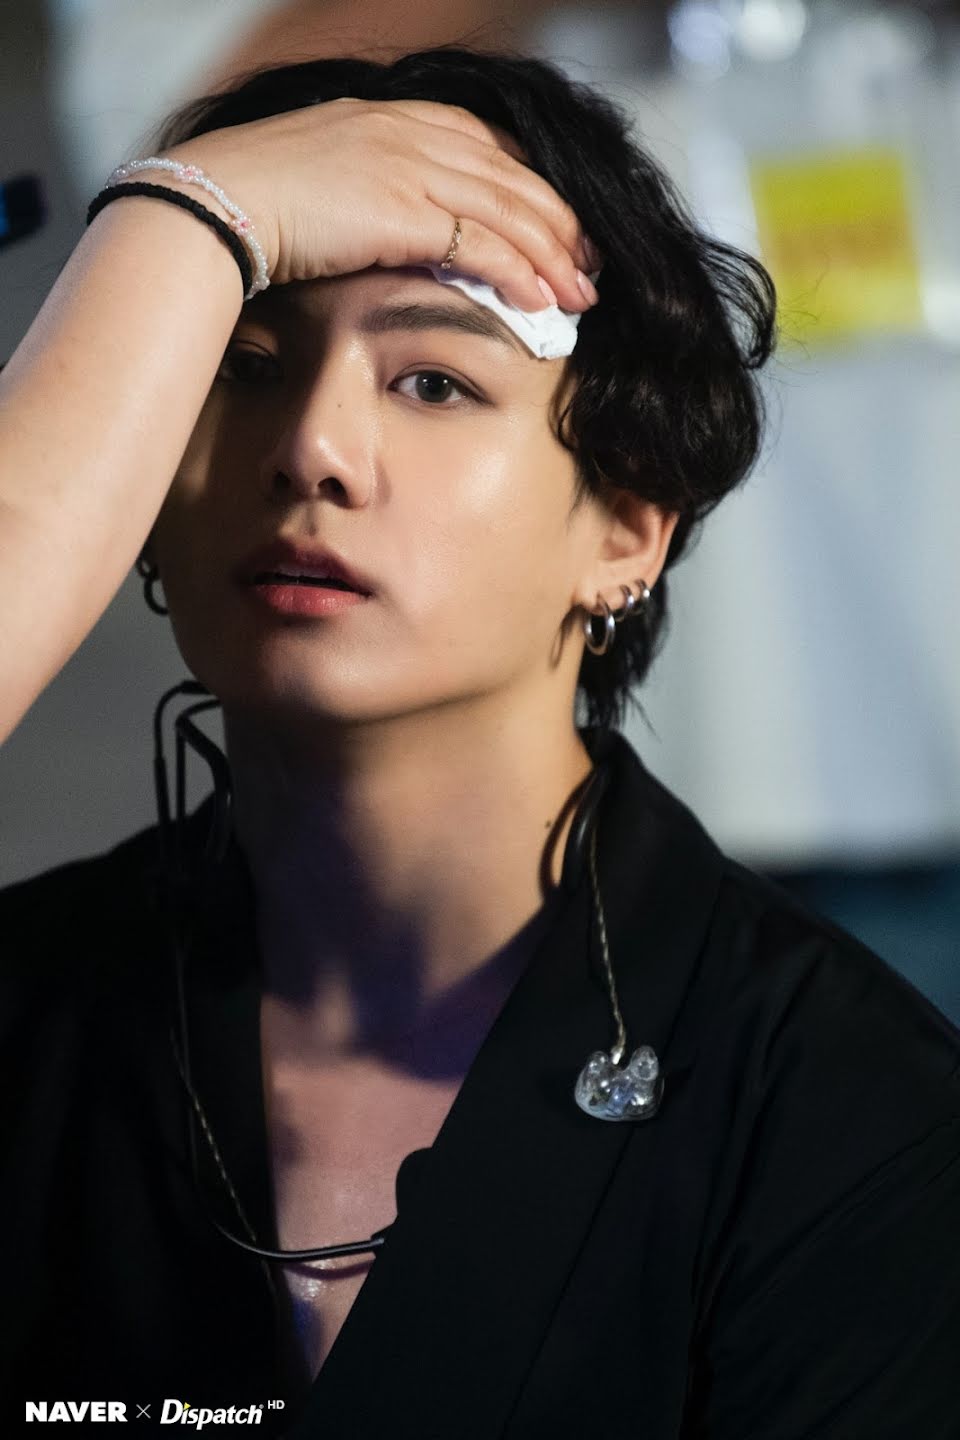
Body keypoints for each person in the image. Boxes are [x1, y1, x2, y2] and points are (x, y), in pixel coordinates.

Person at [1, 44, 958, 1440]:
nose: (314, 452)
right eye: (244, 366)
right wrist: (185, 217)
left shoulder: (847, 1108)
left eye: (435, 383)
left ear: (628, 526)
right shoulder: (30, 1018)